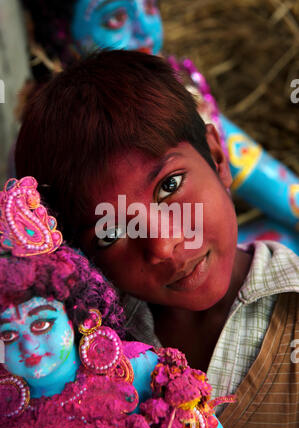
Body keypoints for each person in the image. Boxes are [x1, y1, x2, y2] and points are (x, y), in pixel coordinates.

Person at [15, 50, 299, 428]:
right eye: (111, 233)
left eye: (169, 186)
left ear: (218, 160)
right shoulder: (73, 356)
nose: (163, 246)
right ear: (82, 255)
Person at [17, 0, 299, 254]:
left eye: (150, 6)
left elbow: (264, 177)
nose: (145, 31)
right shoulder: (60, 142)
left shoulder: (176, 92)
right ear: (61, 37)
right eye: (115, 19)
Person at [0, 175, 233, 428]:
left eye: (42, 324)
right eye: (8, 335)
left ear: (77, 314)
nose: (28, 345)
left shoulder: (141, 370)